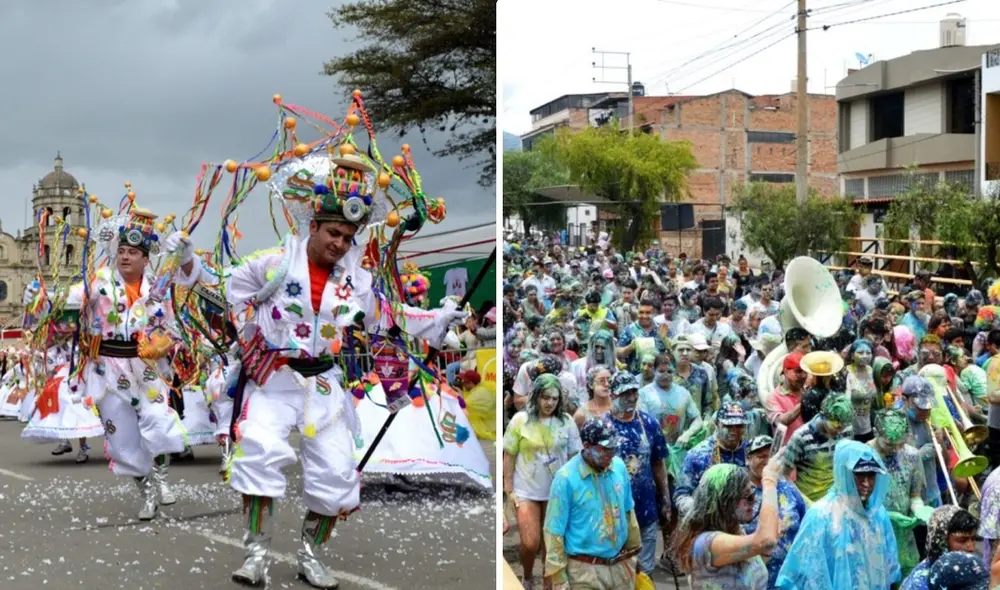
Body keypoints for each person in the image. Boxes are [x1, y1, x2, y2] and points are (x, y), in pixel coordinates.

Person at [224, 154, 467, 588]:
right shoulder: (273, 263)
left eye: (348, 236)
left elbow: (385, 319)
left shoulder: (356, 280)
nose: (339, 243)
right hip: (275, 379)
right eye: (333, 232)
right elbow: (227, 289)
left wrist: (436, 319)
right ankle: (256, 555)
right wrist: (249, 335)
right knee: (259, 449)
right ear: (313, 225)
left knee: (337, 474)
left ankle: (310, 555)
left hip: (322, 384)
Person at [62, 206, 200, 521]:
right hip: (108, 368)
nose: (125, 257)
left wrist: (165, 341)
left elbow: (173, 321)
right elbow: (76, 306)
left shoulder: (158, 289)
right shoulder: (100, 284)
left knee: (159, 420)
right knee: (122, 438)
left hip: (146, 366)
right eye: (121, 251)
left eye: (133, 252)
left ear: (145, 258)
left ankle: (162, 479)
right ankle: (146, 492)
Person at [776, 440, 901, 589]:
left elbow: (890, 565)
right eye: (860, 475)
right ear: (844, 473)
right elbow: (802, 574)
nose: (866, 483)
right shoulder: (821, 516)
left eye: (871, 475)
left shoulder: (877, 513)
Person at [502, 373, 582, 590]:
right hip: (526, 490)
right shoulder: (521, 420)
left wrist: (576, 491)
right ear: (536, 396)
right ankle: (527, 576)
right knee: (530, 542)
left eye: (554, 399)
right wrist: (508, 490)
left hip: (557, 492)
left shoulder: (566, 422)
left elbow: (575, 457)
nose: (550, 403)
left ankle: (548, 585)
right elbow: (508, 454)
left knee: (551, 546)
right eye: (545, 397)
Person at [543, 417, 641, 590]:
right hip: (584, 571)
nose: (610, 453)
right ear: (587, 445)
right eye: (604, 448)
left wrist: (634, 553)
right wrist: (559, 578)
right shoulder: (565, 478)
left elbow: (628, 511)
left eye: (613, 448)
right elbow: (553, 531)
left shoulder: (618, 467)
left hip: (621, 565)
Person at [670, 458, 782, 589]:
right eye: (748, 497)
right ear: (724, 502)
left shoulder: (737, 530)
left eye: (753, 493)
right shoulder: (707, 543)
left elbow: (749, 570)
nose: (754, 500)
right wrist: (770, 482)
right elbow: (765, 541)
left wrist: (765, 549)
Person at [606, 372, 671, 576]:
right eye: (625, 393)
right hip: (612, 510)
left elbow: (658, 463)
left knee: (644, 572)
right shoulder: (603, 426)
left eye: (634, 391)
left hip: (645, 507)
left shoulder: (649, 424)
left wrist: (666, 499)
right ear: (613, 395)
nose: (632, 397)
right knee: (618, 569)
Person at [742, 435, 807, 587]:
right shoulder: (739, 493)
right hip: (753, 580)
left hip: (789, 579)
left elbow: (805, 524)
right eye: (761, 456)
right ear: (748, 458)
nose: (767, 461)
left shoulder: (788, 488)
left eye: (771, 456)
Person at [871, 409, 928, 578]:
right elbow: (857, 503)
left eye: (900, 444)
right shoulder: (864, 456)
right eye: (889, 444)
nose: (896, 449)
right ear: (876, 433)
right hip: (874, 534)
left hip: (904, 535)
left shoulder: (912, 455)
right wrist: (887, 515)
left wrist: (918, 511)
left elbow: (915, 494)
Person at [674, 402, 749, 516]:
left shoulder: (750, 451)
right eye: (728, 426)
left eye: (739, 426)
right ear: (716, 425)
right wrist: (702, 510)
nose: (734, 431)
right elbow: (681, 496)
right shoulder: (697, 455)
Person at [781, 392, 855, 503]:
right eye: (836, 425)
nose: (840, 431)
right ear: (823, 415)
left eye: (843, 426)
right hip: (809, 500)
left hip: (836, 499)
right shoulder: (800, 437)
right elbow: (784, 476)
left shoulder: (847, 430)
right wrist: (805, 502)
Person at [902, 506, 979, 589]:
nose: (971, 548)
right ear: (941, 542)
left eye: (974, 539)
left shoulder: (968, 567)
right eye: (962, 540)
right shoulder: (920, 584)